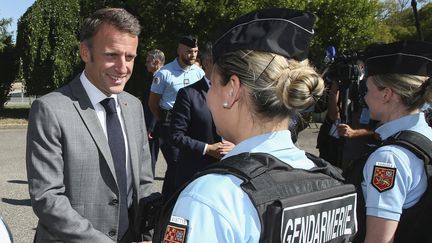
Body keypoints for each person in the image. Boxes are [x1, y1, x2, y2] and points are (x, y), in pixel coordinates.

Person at [154, 8, 357, 242]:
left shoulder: (212, 198)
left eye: (213, 86)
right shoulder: (331, 180)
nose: (209, 96)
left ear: (232, 90)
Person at [26, 8, 153, 243]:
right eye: (111, 55)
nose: (123, 67)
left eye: (130, 57)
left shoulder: (133, 106)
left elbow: (144, 183)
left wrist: (150, 233)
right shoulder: (50, 109)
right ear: (85, 52)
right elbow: (47, 197)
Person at [356, 40, 432, 242]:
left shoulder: (388, 158)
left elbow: (379, 240)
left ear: (386, 94)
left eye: (367, 88)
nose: (364, 96)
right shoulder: (427, 137)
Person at [170, 44, 234, 189]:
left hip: (229, 172)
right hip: (196, 174)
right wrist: (208, 148)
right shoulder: (188, 94)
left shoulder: (235, 92)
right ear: (207, 63)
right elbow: (176, 136)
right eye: (222, 62)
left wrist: (236, 145)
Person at [148, 35, 204, 199]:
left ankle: (178, 201)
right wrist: (163, 121)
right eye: (189, 51)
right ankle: (167, 203)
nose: (193, 55)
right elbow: (153, 103)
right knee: (175, 164)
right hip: (169, 123)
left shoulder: (199, 73)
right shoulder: (165, 73)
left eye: (195, 51)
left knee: (186, 165)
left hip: (191, 125)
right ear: (179, 50)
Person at [143, 49, 165, 175]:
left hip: (155, 124)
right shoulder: (160, 76)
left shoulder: (159, 77)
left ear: (156, 62)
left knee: (151, 153)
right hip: (157, 122)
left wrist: (150, 127)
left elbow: (155, 105)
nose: (146, 64)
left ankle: (148, 180)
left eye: (148, 61)